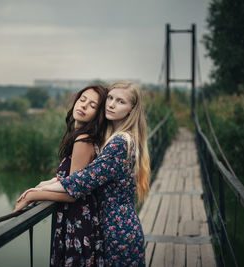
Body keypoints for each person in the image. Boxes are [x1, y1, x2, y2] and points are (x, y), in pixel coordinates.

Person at [16, 81, 150, 266]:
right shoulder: (113, 137)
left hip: (118, 233)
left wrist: (34, 194)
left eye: (120, 101)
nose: (111, 104)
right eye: (110, 98)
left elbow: (79, 182)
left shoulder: (120, 142)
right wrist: (44, 184)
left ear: (131, 110)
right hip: (112, 227)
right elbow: (83, 176)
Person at [14, 84, 108, 266]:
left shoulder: (83, 140)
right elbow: (72, 178)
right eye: (82, 100)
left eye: (92, 105)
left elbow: (72, 193)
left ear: (98, 115)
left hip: (77, 222)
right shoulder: (84, 137)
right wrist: (44, 184)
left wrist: (33, 194)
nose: (84, 105)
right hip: (83, 221)